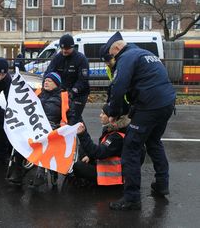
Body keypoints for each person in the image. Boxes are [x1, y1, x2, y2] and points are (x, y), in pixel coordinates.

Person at [101, 31, 176, 211]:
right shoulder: (145, 54)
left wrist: (113, 111)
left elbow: (119, 87)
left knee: (131, 148)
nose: (113, 60)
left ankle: (132, 198)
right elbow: (145, 85)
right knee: (153, 142)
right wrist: (130, 110)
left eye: (112, 55)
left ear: (117, 48)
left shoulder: (126, 57)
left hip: (150, 106)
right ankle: (161, 184)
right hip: (166, 103)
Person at [7, 72, 77, 186]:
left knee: (45, 140)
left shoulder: (64, 97)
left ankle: (40, 173)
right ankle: (18, 172)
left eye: (49, 81)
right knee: (20, 139)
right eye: (45, 80)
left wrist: (67, 126)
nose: (46, 82)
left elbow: (72, 116)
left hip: (52, 127)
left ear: (56, 84)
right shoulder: (37, 93)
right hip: (34, 125)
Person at [72, 104, 130, 185]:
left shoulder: (117, 137)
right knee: (82, 148)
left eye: (103, 113)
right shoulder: (112, 129)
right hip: (105, 163)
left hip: (111, 176)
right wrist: (90, 157)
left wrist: (82, 134)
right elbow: (102, 151)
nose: (100, 115)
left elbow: (99, 153)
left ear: (112, 118)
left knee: (78, 167)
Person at [44, 34, 90, 122]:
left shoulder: (81, 59)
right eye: (62, 49)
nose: (64, 51)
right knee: (63, 117)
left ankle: (82, 135)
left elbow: (83, 80)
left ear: (72, 47)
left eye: (67, 49)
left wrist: (73, 92)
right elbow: (49, 73)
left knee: (74, 118)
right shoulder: (57, 58)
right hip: (63, 93)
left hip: (79, 94)